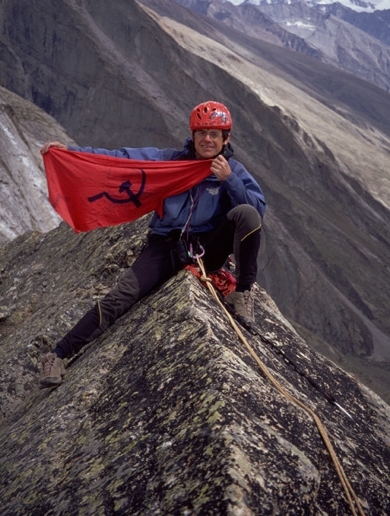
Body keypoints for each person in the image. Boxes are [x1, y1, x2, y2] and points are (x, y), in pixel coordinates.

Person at [39, 101, 266, 388]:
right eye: (201, 133)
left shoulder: (232, 170)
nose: (208, 139)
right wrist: (70, 153)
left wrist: (229, 180)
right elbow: (121, 160)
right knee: (121, 296)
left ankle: (243, 294)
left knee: (245, 213)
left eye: (214, 134)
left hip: (206, 249)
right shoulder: (170, 162)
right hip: (165, 247)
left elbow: (256, 211)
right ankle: (57, 355)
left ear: (226, 138)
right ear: (192, 135)